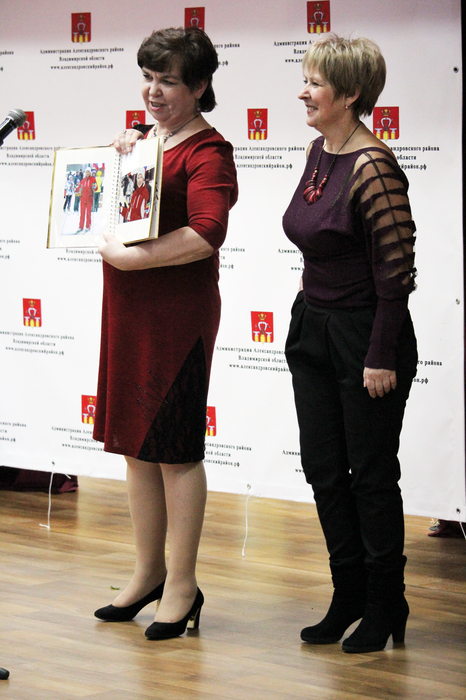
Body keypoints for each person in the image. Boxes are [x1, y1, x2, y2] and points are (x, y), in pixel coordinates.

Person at [93, 27, 238, 641]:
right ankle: (148, 571)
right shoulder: (147, 139)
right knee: (136, 446)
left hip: (177, 318)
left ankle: (182, 583)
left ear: (200, 86)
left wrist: (134, 259)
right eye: (147, 78)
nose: (153, 91)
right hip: (128, 310)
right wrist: (127, 153)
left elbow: (207, 232)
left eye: (168, 81)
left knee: (176, 451)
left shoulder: (210, 150)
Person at [283, 34, 417, 654]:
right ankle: (349, 594)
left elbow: (396, 272)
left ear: (351, 93)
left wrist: (381, 354)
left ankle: (387, 601)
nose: (304, 92)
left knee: (370, 476)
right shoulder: (320, 151)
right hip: (313, 327)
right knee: (323, 470)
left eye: (315, 83)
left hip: (366, 337)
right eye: (305, 80)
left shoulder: (373, 165)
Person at [75, 167, 96, 233]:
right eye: (86, 172)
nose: (87, 173)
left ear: (90, 173)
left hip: (89, 199)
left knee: (88, 213)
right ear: (85, 173)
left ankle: (88, 226)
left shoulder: (92, 179)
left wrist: (95, 186)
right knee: (82, 213)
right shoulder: (83, 180)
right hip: (83, 199)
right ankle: (80, 227)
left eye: (88, 172)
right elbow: (79, 188)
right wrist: (75, 189)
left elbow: (95, 187)